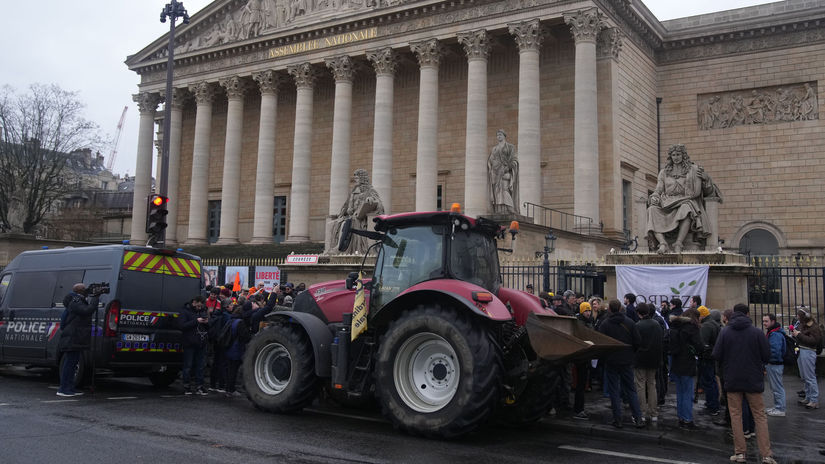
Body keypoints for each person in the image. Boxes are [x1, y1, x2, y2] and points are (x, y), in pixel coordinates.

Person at [713, 304, 776, 464]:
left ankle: (740, 453)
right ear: (748, 314)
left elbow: (717, 354)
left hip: (732, 378)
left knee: (736, 415)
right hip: (753, 379)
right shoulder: (756, 332)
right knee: (759, 416)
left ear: (734, 314)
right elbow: (767, 355)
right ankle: (766, 455)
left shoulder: (725, 331)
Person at [646, 144, 718, 253]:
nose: (676, 157)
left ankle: (678, 243)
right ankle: (663, 243)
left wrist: (706, 179)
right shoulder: (664, 172)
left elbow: (707, 192)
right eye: (673, 155)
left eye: (678, 154)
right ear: (670, 157)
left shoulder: (693, 170)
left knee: (686, 208)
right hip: (667, 203)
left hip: (686, 200)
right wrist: (655, 196)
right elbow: (658, 189)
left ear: (683, 155)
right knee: (651, 209)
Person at [598, 299, 645, 428]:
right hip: (626, 360)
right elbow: (637, 342)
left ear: (609, 309)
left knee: (614, 390)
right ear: (620, 309)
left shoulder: (605, 324)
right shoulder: (630, 323)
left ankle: (617, 419)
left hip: (611, 360)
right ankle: (638, 418)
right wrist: (631, 354)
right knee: (631, 390)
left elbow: (601, 343)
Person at [327, 168, 385, 254]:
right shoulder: (353, 191)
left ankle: (339, 247)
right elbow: (346, 206)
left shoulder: (369, 190)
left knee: (345, 224)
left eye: (357, 178)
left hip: (361, 219)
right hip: (350, 216)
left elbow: (379, 204)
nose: (355, 180)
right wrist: (346, 211)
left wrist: (371, 199)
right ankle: (333, 247)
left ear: (362, 178)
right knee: (334, 224)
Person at [57, 283, 100, 397]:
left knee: (74, 363)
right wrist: (95, 297)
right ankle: (63, 389)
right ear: (79, 291)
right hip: (72, 336)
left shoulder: (78, 300)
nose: (86, 290)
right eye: (84, 289)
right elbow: (87, 310)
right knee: (69, 364)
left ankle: (70, 387)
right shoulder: (74, 302)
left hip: (76, 336)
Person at [669, 307, 704, 429]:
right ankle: (687, 419)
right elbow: (699, 345)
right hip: (687, 362)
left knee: (680, 392)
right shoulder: (692, 328)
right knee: (687, 392)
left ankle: (681, 416)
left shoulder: (675, 325)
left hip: (676, 361)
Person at [634, 303, 663, 423]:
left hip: (640, 358)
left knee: (640, 385)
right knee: (652, 385)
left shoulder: (638, 326)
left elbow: (635, 343)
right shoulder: (657, 325)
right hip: (654, 358)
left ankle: (641, 412)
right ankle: (653, 412)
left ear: (638, 313)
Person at [179, 296, 210, 395]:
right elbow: (182, 326)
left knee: (200, 366)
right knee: (188, 365)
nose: (199, 308)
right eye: (198, 306)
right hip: (189, 342)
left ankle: (199, 386)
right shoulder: (185, 311)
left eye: (201, 306)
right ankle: (186, 386)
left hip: (201, 343)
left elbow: (209, 327)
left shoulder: (202, 311)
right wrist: (196, 321)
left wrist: (207, 322)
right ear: (194, 302)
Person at [792, 307, 821, 409]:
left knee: (810, 377)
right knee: (804, 376)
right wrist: (795, 334)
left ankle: (814, 400)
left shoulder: (814, 327)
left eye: (799, 315)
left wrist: (799, 335)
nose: (797, 317)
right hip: (801, 350)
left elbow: (814, 341)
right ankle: (808, 397)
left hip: (808, 351)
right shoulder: (802, 325)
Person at [487, 129, 520, 214]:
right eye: (497, 135)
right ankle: (499, 210)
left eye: (500, 135)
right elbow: (490, 159)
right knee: (497, 192)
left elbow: (514, 160)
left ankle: (510, 207)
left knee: (505, 189)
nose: (499, 136)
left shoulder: (510, 147)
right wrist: (492, 166)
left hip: (505, 172)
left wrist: (507, 167)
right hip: (495, 173)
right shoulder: (494, 149)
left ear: (504, 136)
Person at [762, 313, 786, 416]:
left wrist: (767, 359)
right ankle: (777, 406)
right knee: (775, 387)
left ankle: (780, 409)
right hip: (774, 363)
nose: (764, 323)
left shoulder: (775, 334)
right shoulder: (773, 332)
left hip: (774, 364)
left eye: (766, 321)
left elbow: (774, 351)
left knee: (777, 387)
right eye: (763, 321)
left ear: (773, 321)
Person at [572, 302, 594, 420]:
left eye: (589, 310)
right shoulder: (580, 322)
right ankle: (578, 409)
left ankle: (580, 408)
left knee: (582, 383)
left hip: (586, 356)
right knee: (580, 384)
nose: (588, 312)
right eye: (586, 310)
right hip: (581, 356)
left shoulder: (589, 321)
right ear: (581, 311)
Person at [698, 305, 721, 415]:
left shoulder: (706, 326)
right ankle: (713, 404)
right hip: (712, 356)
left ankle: (712, 405)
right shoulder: (714, 323)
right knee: (712, 381)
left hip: (707, 357)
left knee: (709, 381)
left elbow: (703, 343)